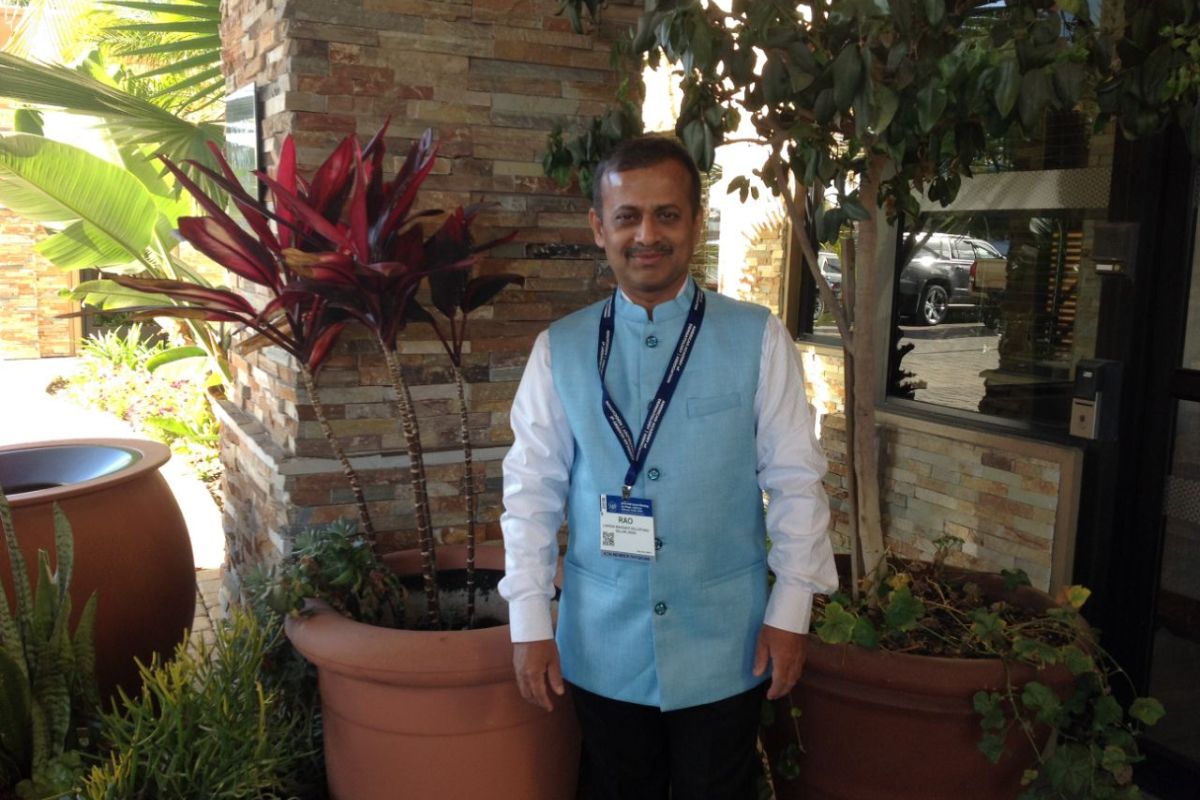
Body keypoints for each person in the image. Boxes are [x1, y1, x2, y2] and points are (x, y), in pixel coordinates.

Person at [498, 135, 838, 800]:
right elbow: (531, 493)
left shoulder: (757, 337)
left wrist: (791, 609)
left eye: (667, 215)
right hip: (601, 639)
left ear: (696, 222)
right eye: (627, 216)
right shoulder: (560, 349)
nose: (647, 235)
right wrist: (530, 621)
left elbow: (797, 480)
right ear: (600, 228)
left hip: (728, 638)